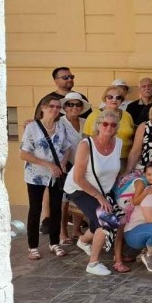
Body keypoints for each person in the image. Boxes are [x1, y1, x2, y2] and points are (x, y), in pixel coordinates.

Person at [64, 110, 123, 276]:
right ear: (98, 125)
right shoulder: (86, 144)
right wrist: (99, 197)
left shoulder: (118, 143)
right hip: (80, 188)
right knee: (106, 221)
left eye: (113, 124)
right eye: (105, 124)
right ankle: (93, 263)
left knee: (108, 218)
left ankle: (83, 241)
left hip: (103, 190)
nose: (109, 127)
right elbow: (78, 177)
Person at [21, 96, 73, 260]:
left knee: (56, 208)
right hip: (36, 175)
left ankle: (54, 243)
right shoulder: (32, 127)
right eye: (52, 106)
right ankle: (33, 247)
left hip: (55, 174)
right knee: (35, 209)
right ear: (43, 108)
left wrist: (63, 162)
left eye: (58, 107)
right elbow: (24, 154)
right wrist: (48, 164)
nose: (55, 109)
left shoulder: (61, 127)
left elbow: (67, 148)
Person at [58, 92, 89, 245]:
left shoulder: (85, 122)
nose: (74, 107)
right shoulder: (59, 122)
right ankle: (63, 232)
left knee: (79, 197)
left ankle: (76, 229)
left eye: (78, 104)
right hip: (65, 165)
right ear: (65, 107)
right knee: (64, 201)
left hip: (82, 164)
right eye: (70, 104)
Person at [83, 86, 135, 160]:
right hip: (100, 158)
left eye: (118, 97)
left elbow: (133, 137)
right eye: (110, 97)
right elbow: (85, 139)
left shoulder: (127, 116)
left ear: (122, 100)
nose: (114, 100)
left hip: (125, 159)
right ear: (105, 99)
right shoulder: (94, 115)